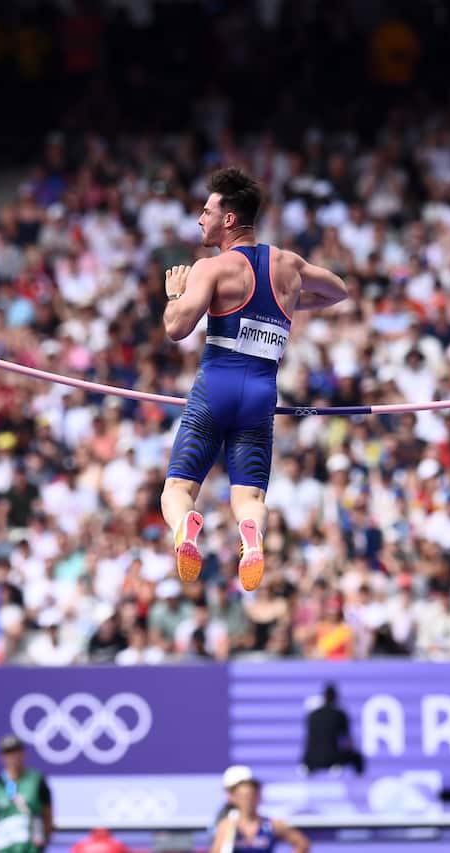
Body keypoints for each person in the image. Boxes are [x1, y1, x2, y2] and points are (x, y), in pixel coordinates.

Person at [161, 167, 348, 591]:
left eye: (207, 211)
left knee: (177, 490)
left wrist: (175, 293)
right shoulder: (288, 264)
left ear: (229, 219)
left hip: (215, 388)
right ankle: (253, 537)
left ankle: (187, 528)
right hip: (261, 394)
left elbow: (175, 329)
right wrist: (286, 305)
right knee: (250, 499)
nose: (200, 219)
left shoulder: (211, 269)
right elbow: (338, 291)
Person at [209, 770, 310, 853]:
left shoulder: (272, 824)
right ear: (233, 798)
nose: (248, 801)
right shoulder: (227, 825)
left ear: (258, 796)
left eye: (251, 796)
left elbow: (302, 843)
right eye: (243, 797)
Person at [0, 734, 53, 853]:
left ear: (23, 753)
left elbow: (48, 815)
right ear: (2, 757)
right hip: (4, 847)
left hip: (31, 848)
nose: (14, 757)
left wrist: (43, 840)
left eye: (17, 751)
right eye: (9, 753)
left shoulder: (37, 780)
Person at [301, 683, 365, 776]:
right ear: (336, 697)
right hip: (334, 760)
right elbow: (346, 740)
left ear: (324, 697)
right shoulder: (340, 714)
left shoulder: (312, 715)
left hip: (310, 760)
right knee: (357, 758)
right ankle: (361, 786)